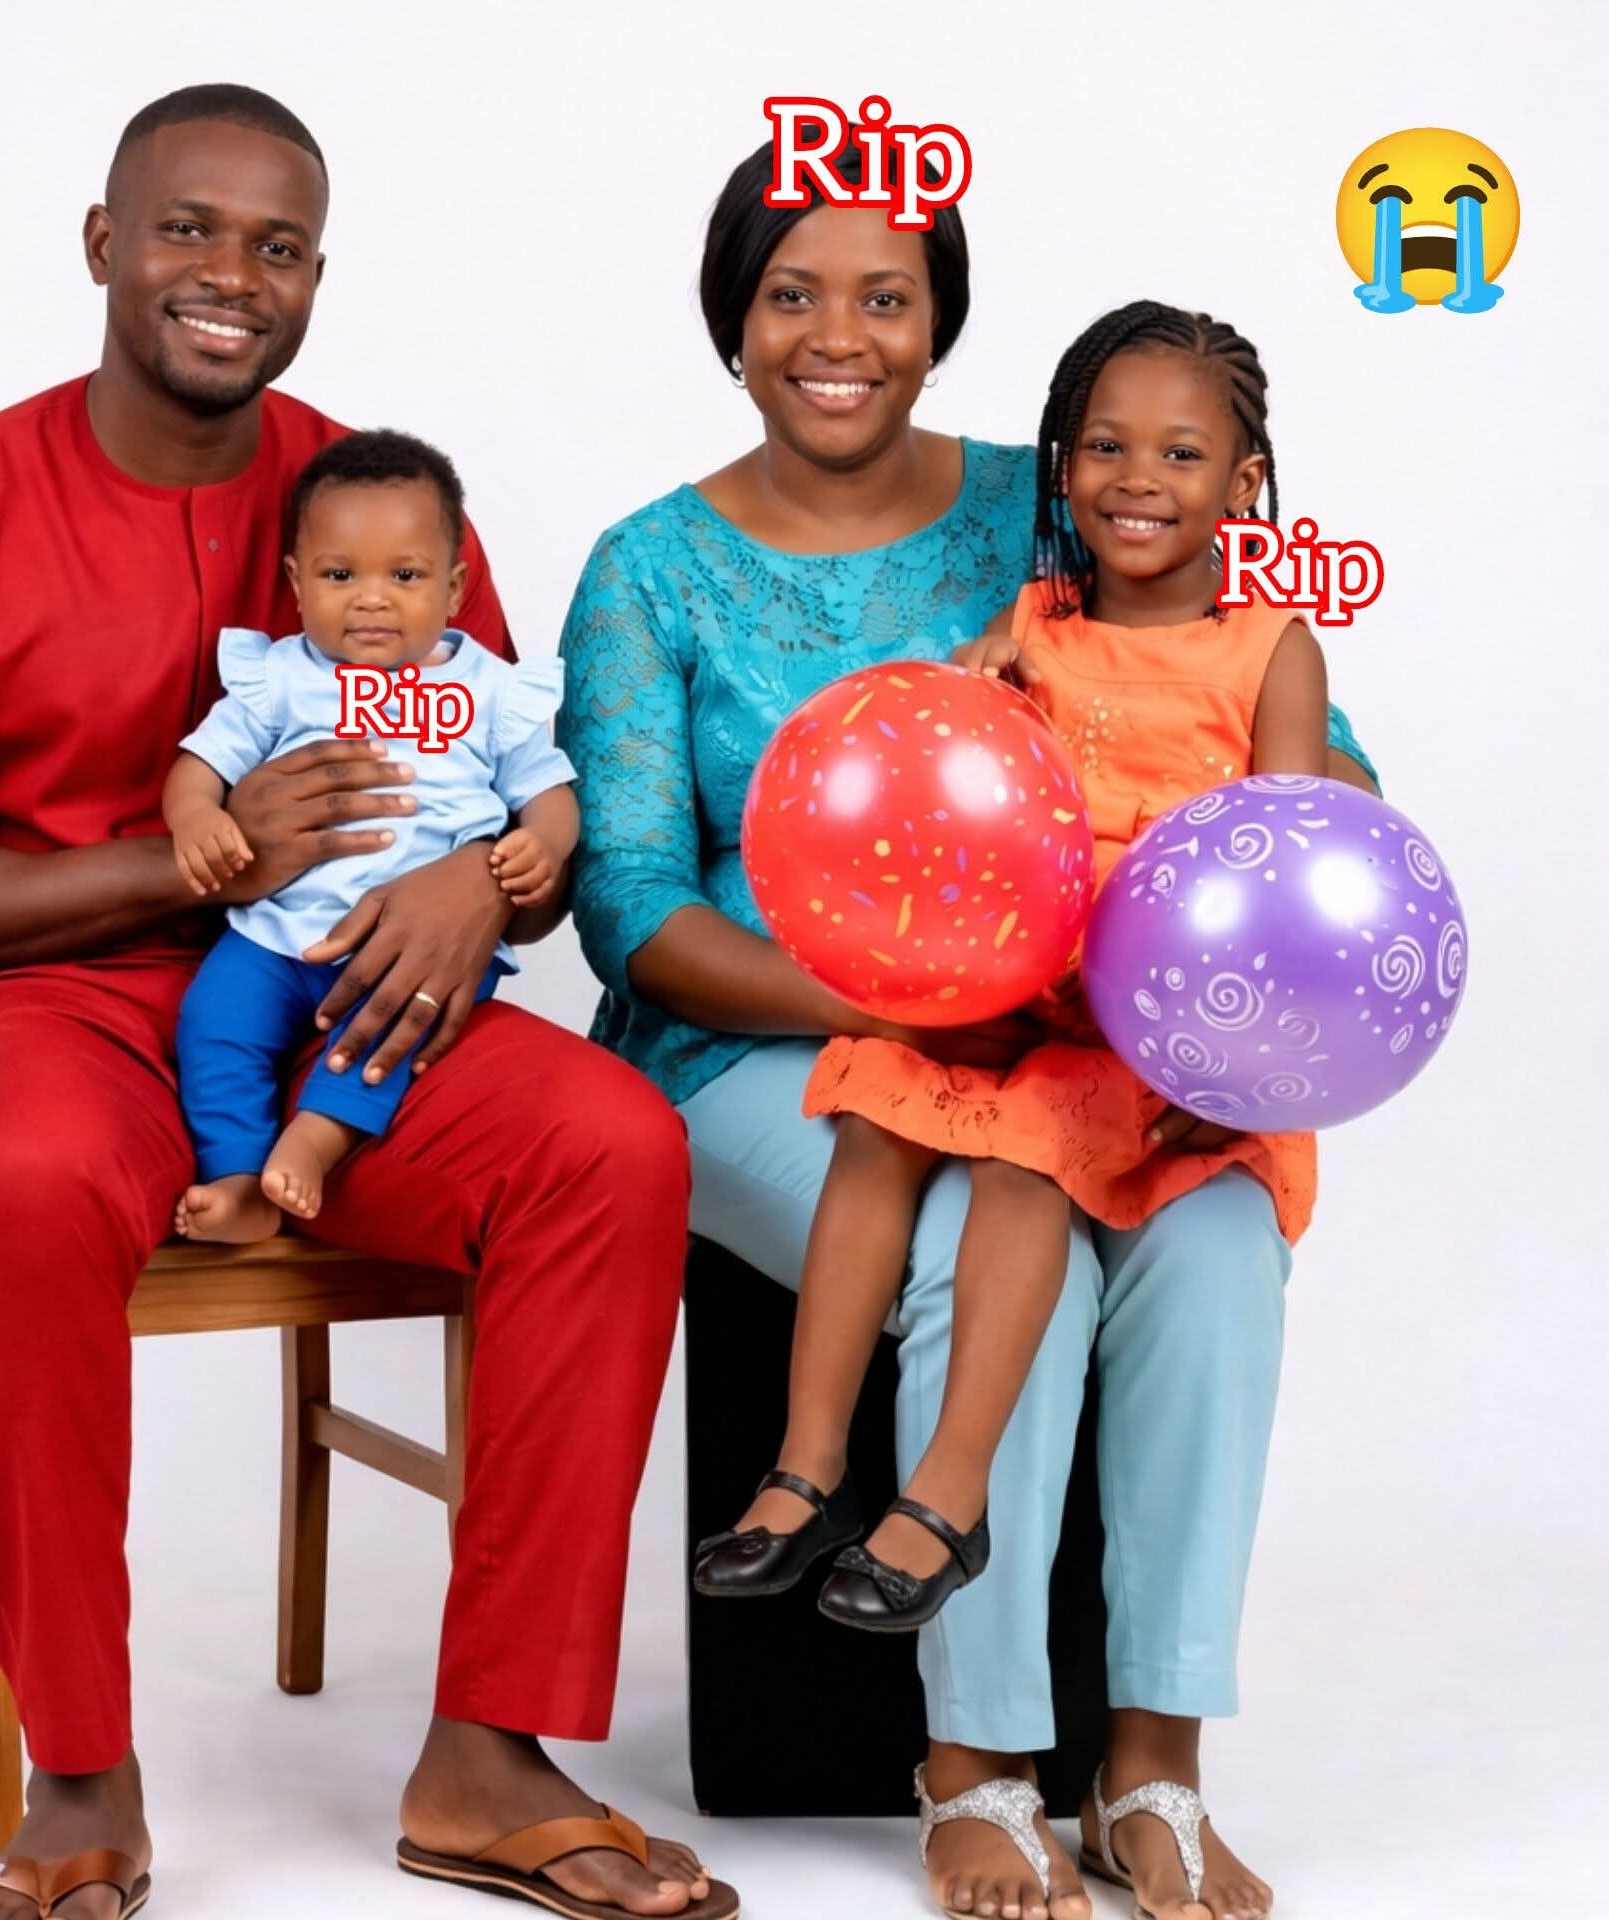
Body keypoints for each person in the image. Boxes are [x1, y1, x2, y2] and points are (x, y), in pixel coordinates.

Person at [0, 85, 731, 1920]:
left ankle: (492, 1756)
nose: (231, 275)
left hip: (339, 1009)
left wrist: (482, 883)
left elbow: (493, 769)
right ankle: (79, 1777)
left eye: (277, 245)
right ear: (105, 245)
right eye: (191, 230)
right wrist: (184, 860)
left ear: (314, 278)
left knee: (609, 1141)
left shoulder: (370, 504)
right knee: (47, 1182)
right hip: (22, 1010)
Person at [564, 136, 1380, 1920]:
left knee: (1223, 1235)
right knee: (976, 1234)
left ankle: (1152, 1765)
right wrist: (890, 996)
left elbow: (1287, 773)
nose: (836, 334)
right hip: (765, 1048)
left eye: (886, 294)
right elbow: (633, 905)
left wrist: (1214, 991)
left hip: (1079, 1045)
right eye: (791, 292)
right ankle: (984, 1763)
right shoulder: (650, 570)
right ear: (733, 319)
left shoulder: (1060, 497)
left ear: (942, 325)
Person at [692, 299, 1329, 1664]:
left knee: (1020, 1160)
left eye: (1178, 456)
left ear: (1244, 484)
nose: (1138, 483)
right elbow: (972, 792)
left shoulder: (1271, 648)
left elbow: (1283, 864)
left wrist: (1216, 1046)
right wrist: (974, 674)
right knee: (868, 1105)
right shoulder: (1033, 619)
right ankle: (808, 1472)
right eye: (1105, 448)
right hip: (1007, 985)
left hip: (1138, 1028)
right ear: (1063, 467)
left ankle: (950, 1491)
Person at [168, 428, 579, 1239]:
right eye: (339, 574)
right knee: (211, 1022)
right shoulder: (282, 678)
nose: (371, 598)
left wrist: (545, 844)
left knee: (391, 1037)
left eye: (404, 575)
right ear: (296, 583)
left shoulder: (491, 691)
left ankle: (316, 1144)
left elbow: (551, 792)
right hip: (276, 934)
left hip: (415, 946)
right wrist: (194, 817)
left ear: (455, 587)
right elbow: (201, 762)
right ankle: (240, 1176)